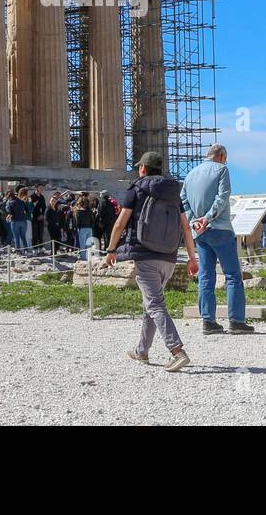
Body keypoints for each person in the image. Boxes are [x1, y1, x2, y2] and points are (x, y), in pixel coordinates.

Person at [105, 151, 198, 372]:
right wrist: (193, 258)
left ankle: (177, 351)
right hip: (169, 256)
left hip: (144, 253)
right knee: (152, 302)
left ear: (143, 169)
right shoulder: (174, 194)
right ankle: (142, 351)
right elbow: (185, 227)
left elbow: (120, 223)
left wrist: (111, 250)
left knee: (155, 303)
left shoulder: (136, 189)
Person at [181, 144, 252, 335]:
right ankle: (236, 320)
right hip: (219, 228)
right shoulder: (222, 170)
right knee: (232, 275)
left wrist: (194, 220)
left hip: (200, 232)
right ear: (221, 157)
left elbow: (183, 200)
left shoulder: (191, 174)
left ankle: (208, 320)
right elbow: (223, 197)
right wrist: (208, 218)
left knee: (206, 276)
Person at [74, 193, 97, 260]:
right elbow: (93, 220)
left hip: (82, 229)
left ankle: (83, 258)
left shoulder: (78, 212)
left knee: (82, 245)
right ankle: (88, 257)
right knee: (89, 245)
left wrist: (77, 228)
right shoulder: (90, 211)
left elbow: (77, 222)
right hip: (89, 228)